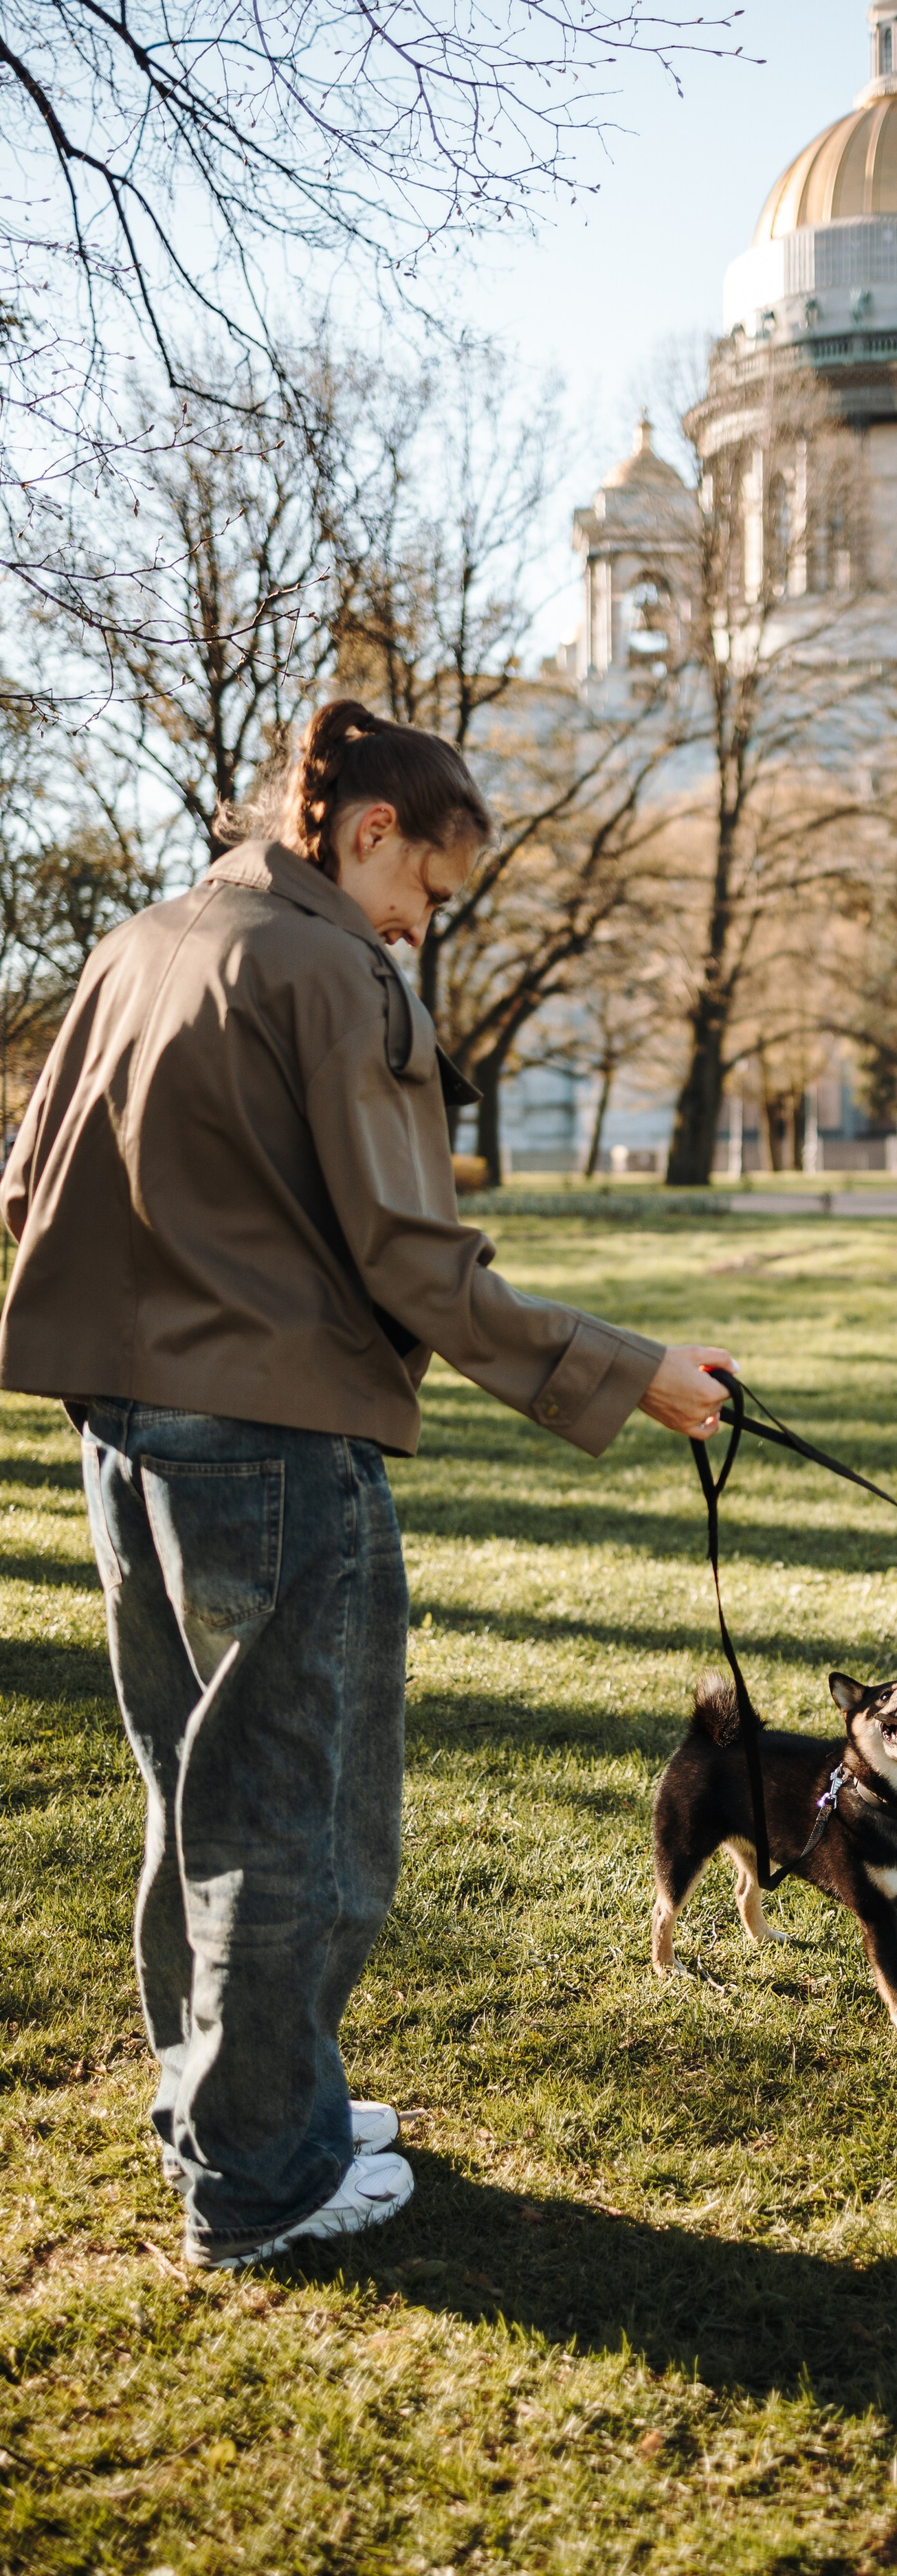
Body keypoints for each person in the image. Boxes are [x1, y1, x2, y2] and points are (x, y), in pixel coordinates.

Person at [0, 698, 738, 2269]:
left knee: (191, 1786)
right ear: (369, 832)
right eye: (434, 887)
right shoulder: (337, 971)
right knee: (297, 1813)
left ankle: (241, 2105)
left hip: (119, 1437)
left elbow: (24, 1183)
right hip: (270, 1449)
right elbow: (417, 1259)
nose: (427, 924)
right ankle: (263, 2179)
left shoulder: (139, 946)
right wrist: (631, 1372)